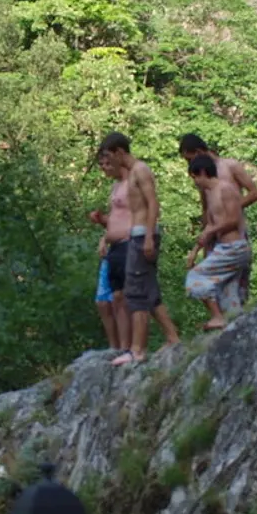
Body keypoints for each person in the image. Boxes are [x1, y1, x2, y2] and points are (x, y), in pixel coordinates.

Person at [99, 133, 180, 366]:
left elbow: (153, 203)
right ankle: (173, 336)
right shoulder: (131, 174)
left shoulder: (141, 170)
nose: (109, 163)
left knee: (134, 293)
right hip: (139, 235)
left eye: (109, 157)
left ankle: (137, 350)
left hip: (141, 235)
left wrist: (147, 237)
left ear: (119, 152)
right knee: (149, 291)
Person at [177, 134, 257, 301]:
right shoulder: (202, 177)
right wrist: (203, 239)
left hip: (234, 232)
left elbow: (255, 193)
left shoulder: (229, 166)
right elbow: (206, 208)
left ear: (200, 151)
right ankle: (222, 320)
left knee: (237, 285)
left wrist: (231, 209)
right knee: (215, 285)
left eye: (189, 158)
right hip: (215, 234)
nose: (189, 164)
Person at [185, 155, 252, 330]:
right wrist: (195, 251)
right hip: (224, 247)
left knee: (195, 279)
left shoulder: (226, 189)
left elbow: (233, 219)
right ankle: (236, 327)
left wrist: (212, 231)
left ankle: (217, 317)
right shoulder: (210, 194)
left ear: (202, 172)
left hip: (234, 247)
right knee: (227, 294)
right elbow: (210, 226)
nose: (195, 182)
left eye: (194, 177)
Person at [88, 151, 132, 352]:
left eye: (107, 163)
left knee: (120, 299)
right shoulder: (115, 187)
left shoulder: (133, 183)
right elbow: (115, 220)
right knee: (102, 302)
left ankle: (126, 346)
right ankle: (114, 347)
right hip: (112, 246)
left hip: (127, 245)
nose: (104, 168)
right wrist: (102, 222)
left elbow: (134, 220)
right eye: (101, 164)